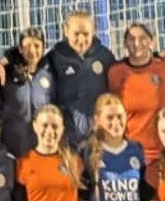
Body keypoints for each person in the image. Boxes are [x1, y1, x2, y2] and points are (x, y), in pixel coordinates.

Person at [106, 23, 165, 184]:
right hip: (128, 151)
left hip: (160, 152)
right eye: (131, 39)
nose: (137, 43)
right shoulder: (116, 72)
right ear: (124, 43)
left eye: (142, 38)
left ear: (151, 42)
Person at [47, 8, 116, 147]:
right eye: (76, 34)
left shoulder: (105, 56)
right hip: (67, 139)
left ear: (93, 32)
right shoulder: (54, 57)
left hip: (99, 137)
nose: (81, 39)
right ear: (66, 31)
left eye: (86, 34)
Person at [0, 27, 59, 161]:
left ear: (44, 48)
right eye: (27, 46)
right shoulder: (6, 74)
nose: (32, 51)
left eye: (37, 45)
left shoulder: (51, 73)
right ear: (20, 49)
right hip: (13, 146)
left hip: (42, 147)